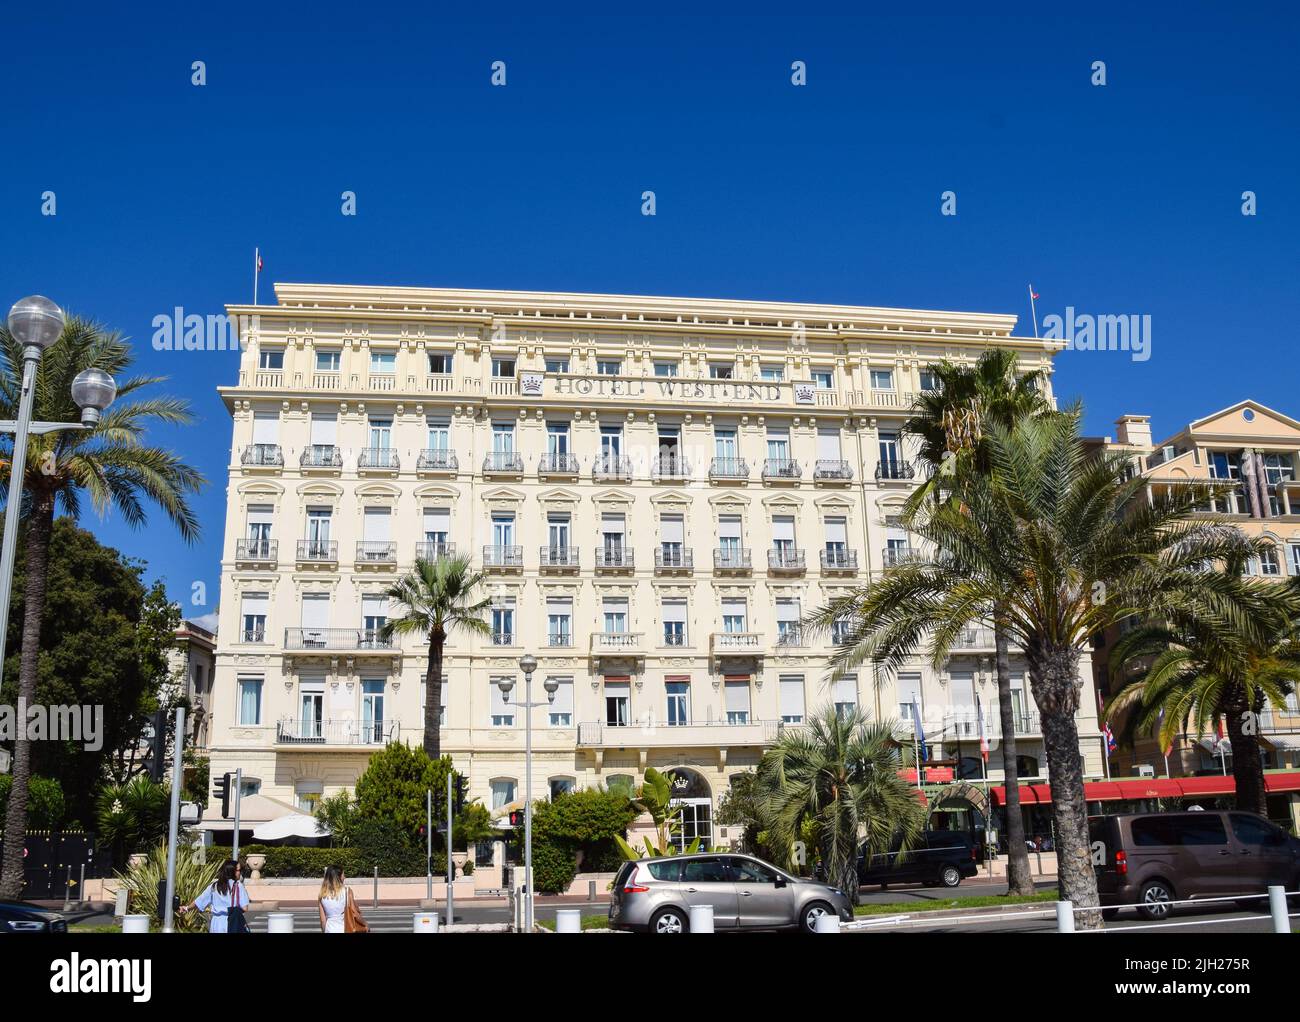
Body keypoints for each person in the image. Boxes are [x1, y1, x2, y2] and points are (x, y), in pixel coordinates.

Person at [182, 859, 249, 933]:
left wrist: (186, 908)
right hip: (231, 922)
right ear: (232, 871)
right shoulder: (238, 886)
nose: (240, 873)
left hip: (216, 923)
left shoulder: (214, 886)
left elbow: (199, 901)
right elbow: (245, 908)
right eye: (238, 870)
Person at [319, 865, 366, 933]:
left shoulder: (322, 894)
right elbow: (354, 913)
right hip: (344, 929)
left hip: (329, 929)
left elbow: (323, 921)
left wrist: (324, 930)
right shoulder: (347, 891)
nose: (344, 877)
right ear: (339, 877)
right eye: (343, 875)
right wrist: (365, 923)